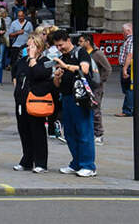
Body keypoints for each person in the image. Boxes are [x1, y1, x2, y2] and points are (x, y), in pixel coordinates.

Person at [51, 30, 96, 177]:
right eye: (57, 46)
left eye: (61, 45)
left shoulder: (81, 53)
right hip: (66, 97)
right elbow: (56, 84)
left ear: (68, 40)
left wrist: (66, 66)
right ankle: (76, 163)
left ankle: (88, 165)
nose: (59, 48)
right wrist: (57, 76)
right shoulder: (62, 57)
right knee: (69, 133)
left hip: (80, 98)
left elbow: (84, 69)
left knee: (84, 131)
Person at [12, 34, 54, 173]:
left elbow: (39, 74)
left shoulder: (46, 61)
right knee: (24, 131)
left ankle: (41, 162)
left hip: (37, 101)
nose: (28, 48)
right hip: (21, 101)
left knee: (37, 132)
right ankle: (27, 160)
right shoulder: (22, 61)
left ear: (39, 47)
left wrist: (33, 59)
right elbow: (15, 75)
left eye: (31, 46)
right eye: (28, 45)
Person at [78, 34, 112, 146]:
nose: (79, 43)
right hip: (85, 85)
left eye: (81, 41)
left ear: (88, 42)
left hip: (96, 86)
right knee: (86, 108)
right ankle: (89, 132)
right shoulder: (82, 53)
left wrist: (100, 81)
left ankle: (99, 134)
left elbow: (107, 68)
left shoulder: (97, 54)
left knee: (95, 109)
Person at [115, 23, 134, 117]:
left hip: (128, 67)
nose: (122, 33)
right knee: (128, 89)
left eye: (123, 31)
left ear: (128, 31)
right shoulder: (128, 40)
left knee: (129, 89)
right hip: (127, 66)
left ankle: (128, 110)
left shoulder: (130, 40)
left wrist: (125, 69)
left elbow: (129, 55)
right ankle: (130, 108)